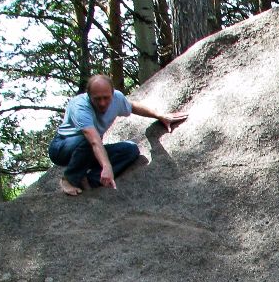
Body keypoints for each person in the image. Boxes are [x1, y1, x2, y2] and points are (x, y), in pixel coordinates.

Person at [48, 74, 187, 196]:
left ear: (112, 93)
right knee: (89, 139)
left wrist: (159, 115)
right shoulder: (80, 106)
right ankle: (69, 178)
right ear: (89, 96)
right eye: (97, 99)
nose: (102, 103)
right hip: (63, 148)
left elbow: (133, 107)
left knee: (130, 150)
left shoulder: (117, 98)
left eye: (106, 98)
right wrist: (106, 166)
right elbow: (94, 140)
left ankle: (91, 179)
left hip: (89, 149)